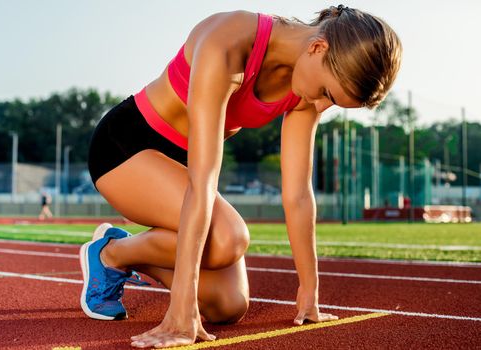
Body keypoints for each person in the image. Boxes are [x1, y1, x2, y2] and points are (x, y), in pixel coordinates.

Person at [80, 5, 402, 348]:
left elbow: (297, 194)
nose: (322, 104)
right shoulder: (231, 41)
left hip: (181, 167)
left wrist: (309, 292)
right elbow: (202, 182)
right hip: (126, 148)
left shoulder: (306, 86)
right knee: (229, 238)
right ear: (318, 47)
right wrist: (179, 309)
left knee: (228, 305)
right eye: (327, 93)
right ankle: (110, 254)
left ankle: (121, 251)